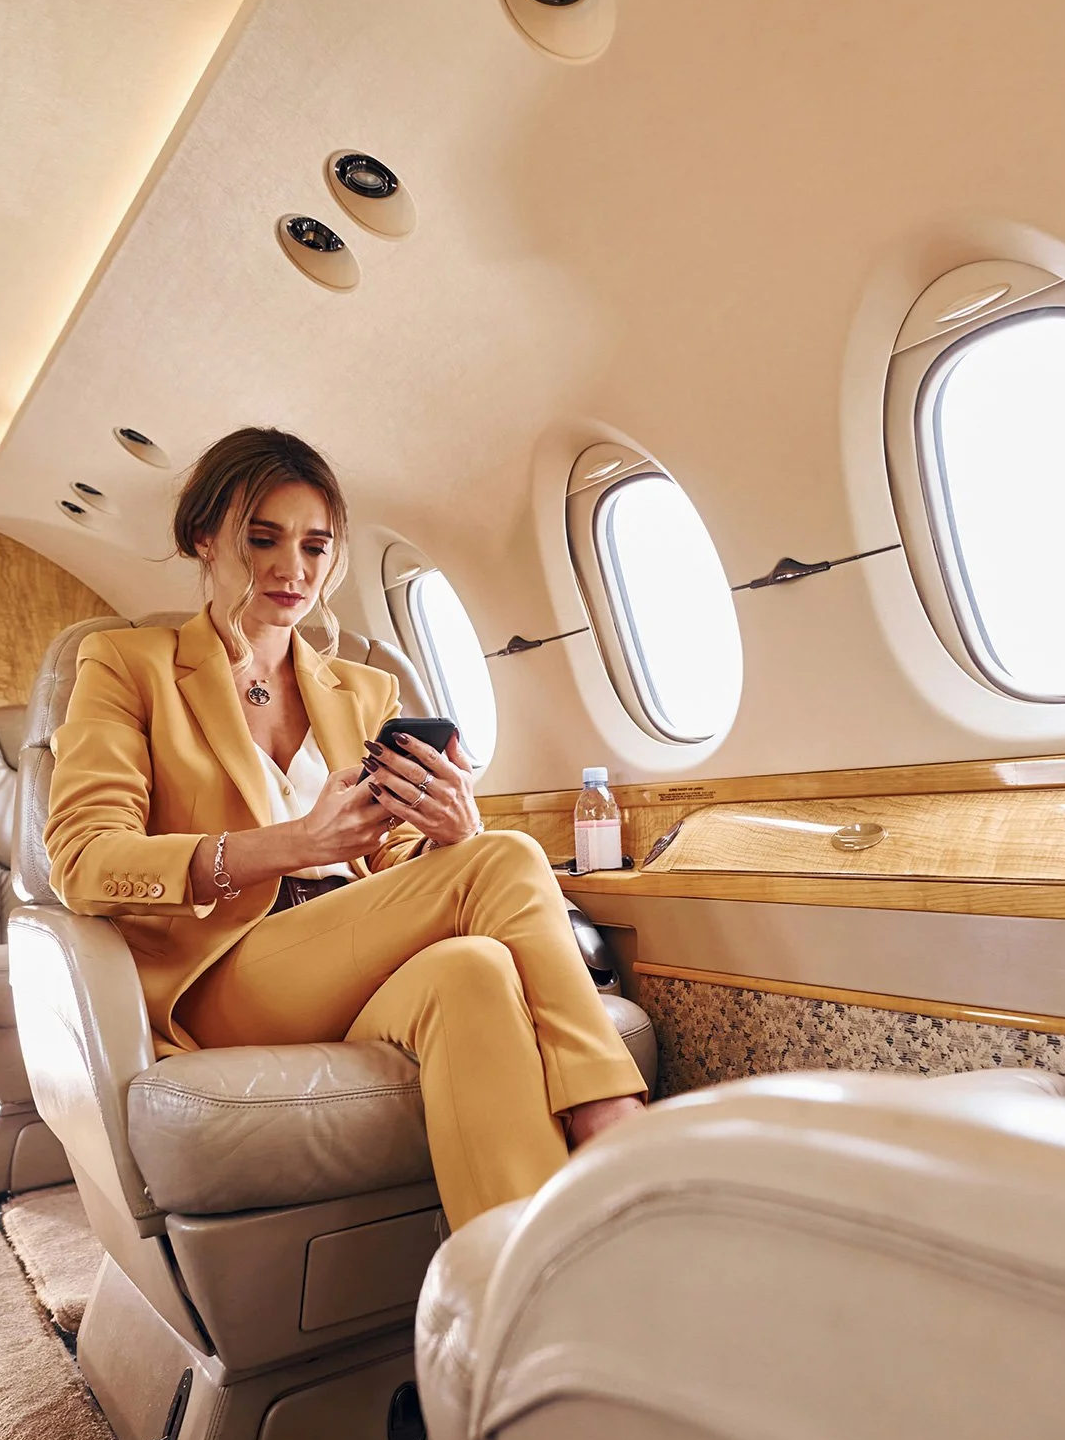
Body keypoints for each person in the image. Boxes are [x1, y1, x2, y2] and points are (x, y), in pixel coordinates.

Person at [44, 427, 646, 1225]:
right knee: (509, 859)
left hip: (353, 953)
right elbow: (84, 859)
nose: (293, 568)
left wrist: (449, 832)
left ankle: (525, 1302)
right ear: (203, 537)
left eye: (315, 545)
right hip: (226, 974)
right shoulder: (129, 665)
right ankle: (609, 1117)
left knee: (472, 971)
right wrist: (294, 845)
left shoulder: (364, 690)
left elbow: (402, 866)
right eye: (263, 539)